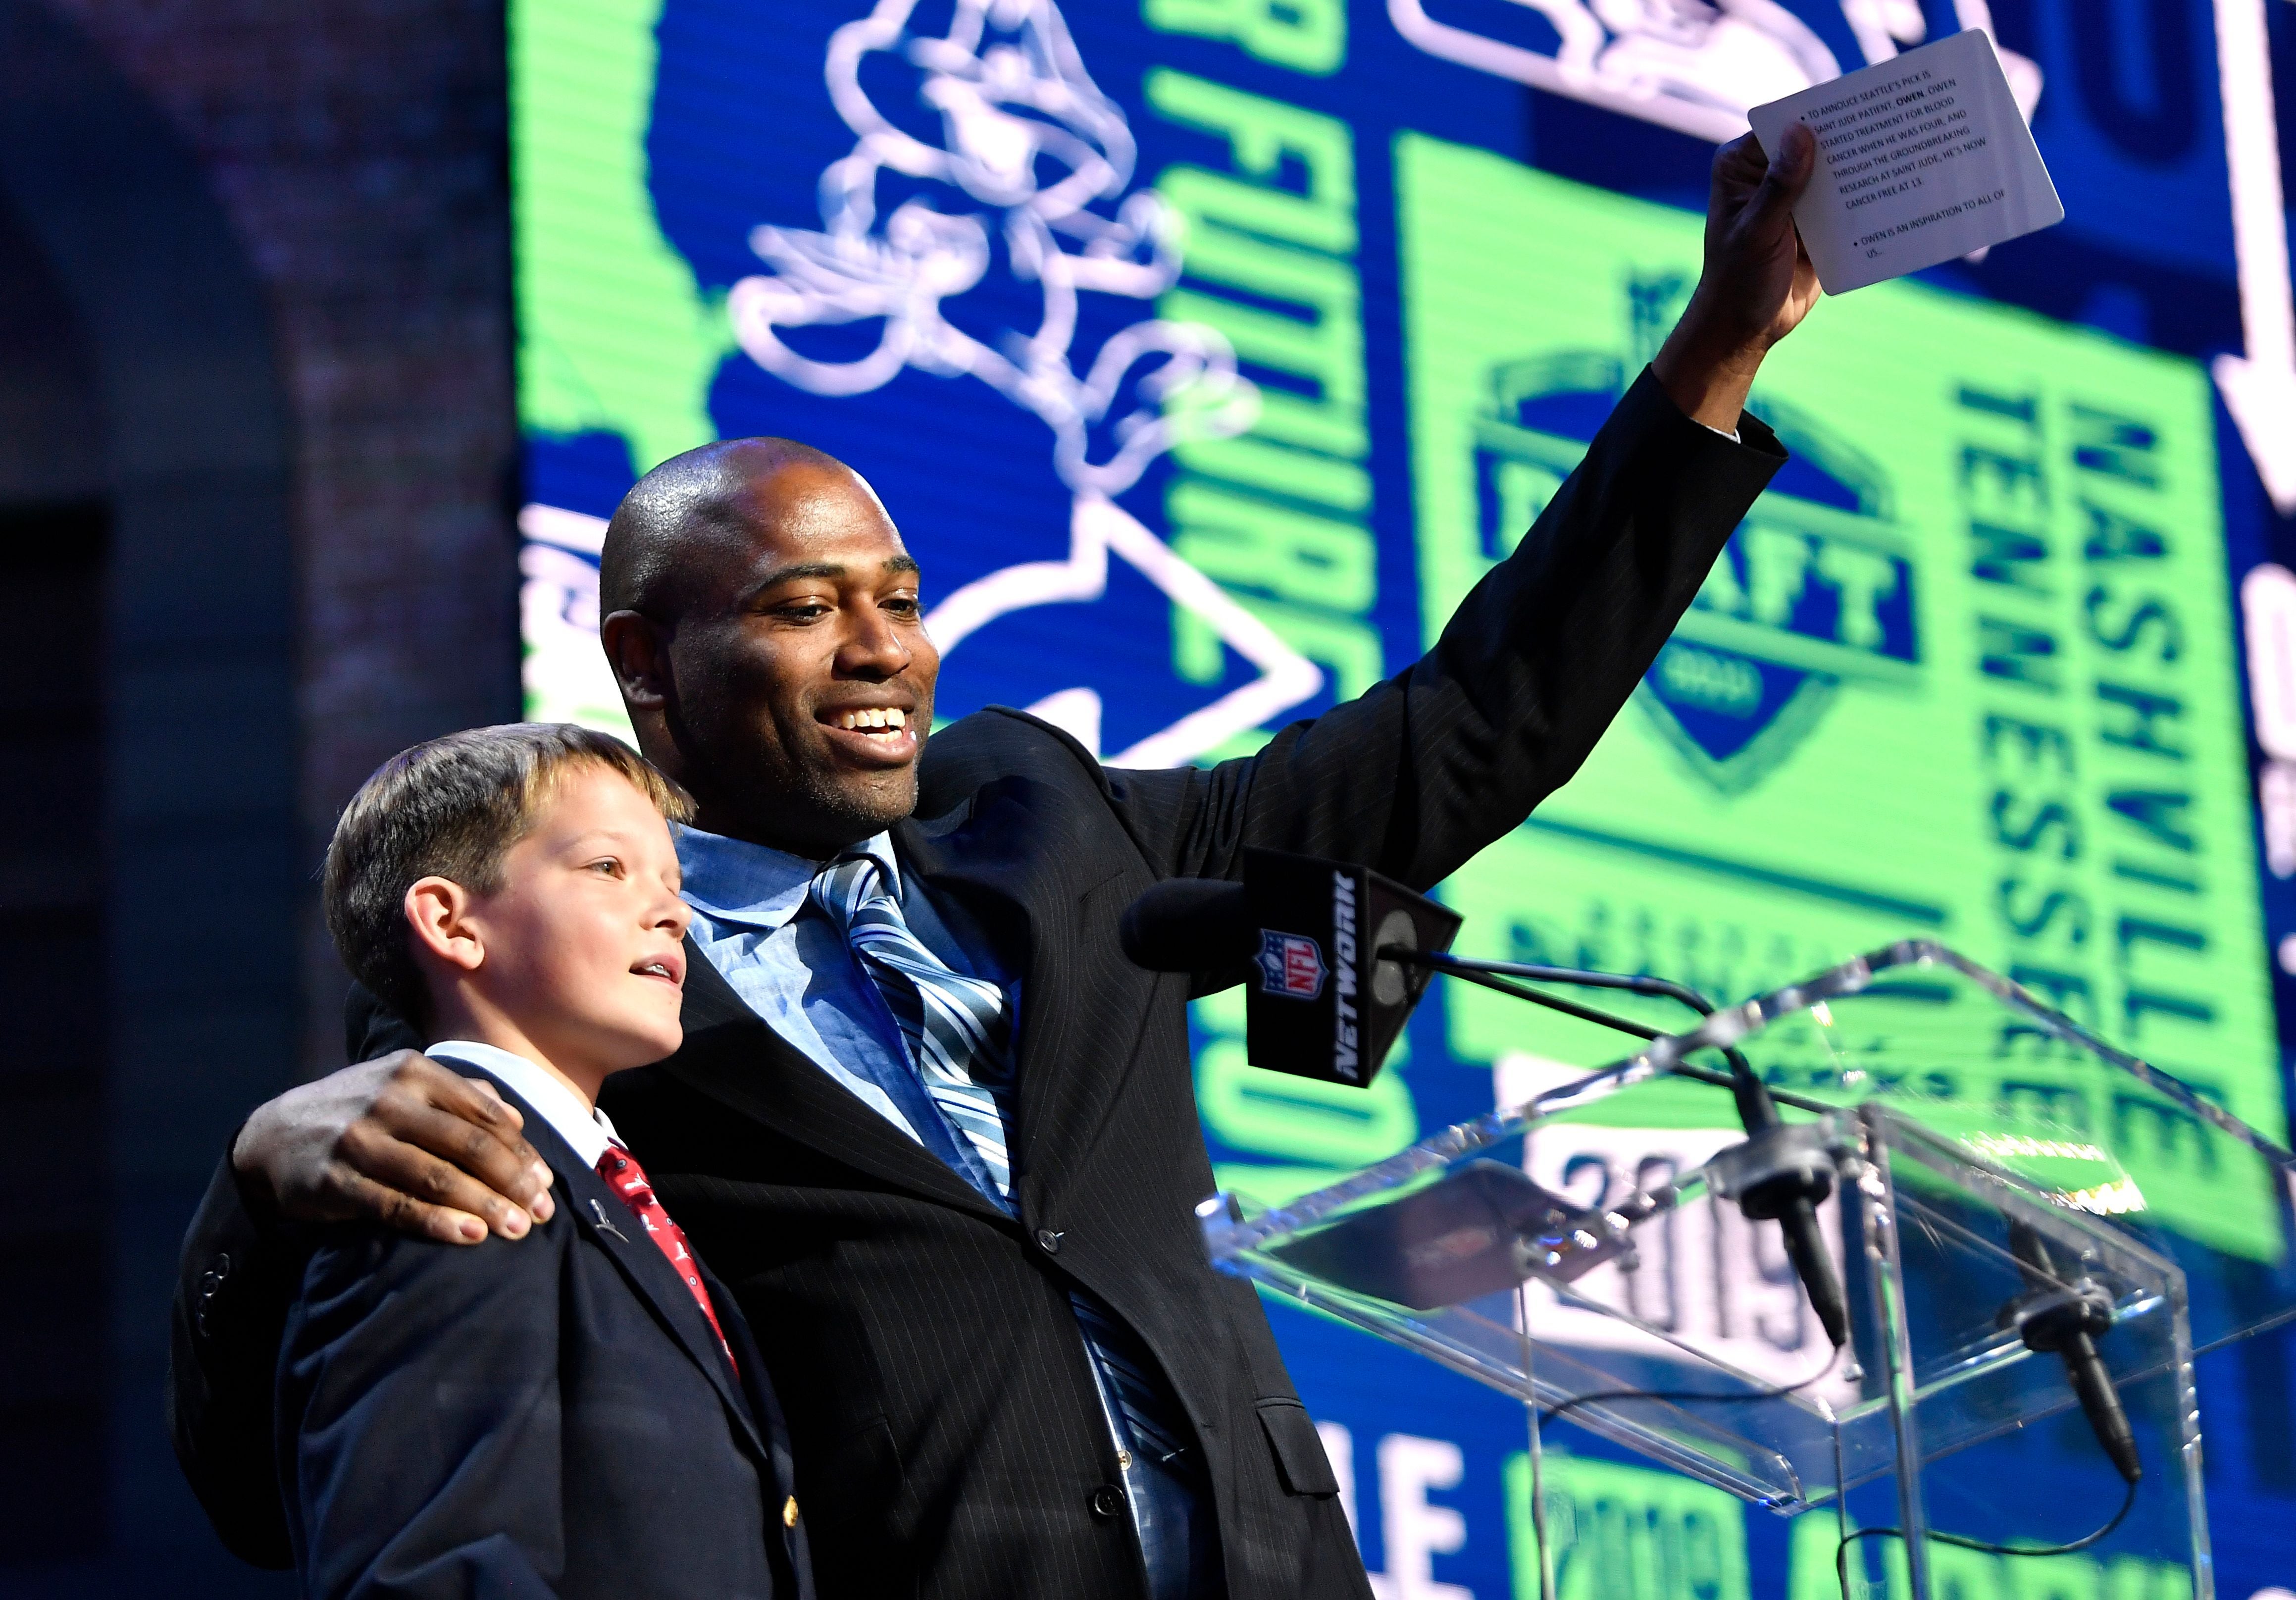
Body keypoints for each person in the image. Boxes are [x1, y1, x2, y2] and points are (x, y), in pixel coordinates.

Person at [171, 128, 1820, 1600]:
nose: (879, 650)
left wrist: (1716, 348)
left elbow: (1463, 729)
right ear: (649, 663)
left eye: (895, 598)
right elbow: (287, 1455)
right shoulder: (569, 979)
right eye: (801, 610)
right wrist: (252, 1190)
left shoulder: (1050, 819)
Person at [268, 723, 810, 1600]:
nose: (673, 911)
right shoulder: (451, 1182)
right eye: (608, 869)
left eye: (674, 882)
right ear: (450, 922)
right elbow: (433, 1571)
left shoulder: (606, 1190)